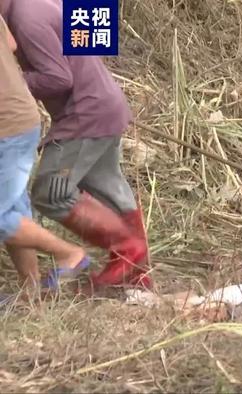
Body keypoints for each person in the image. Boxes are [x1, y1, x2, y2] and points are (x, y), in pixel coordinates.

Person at [0, 0, 153, 293]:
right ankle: (137, 275)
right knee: (112, 191)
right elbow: (95, 35)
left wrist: (14, 83)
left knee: (50, 193)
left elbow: (58, 77)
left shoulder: (25, 18)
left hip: (85, 114)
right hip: (106, 101)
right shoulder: (43, 4)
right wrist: (94, 78)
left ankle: (126, 248)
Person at [1, 13, 90, 294]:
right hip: (20, 116)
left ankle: (69, 254)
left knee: (3, 216)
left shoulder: (31, 13)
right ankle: (30, 292)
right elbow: (11, 44)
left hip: (8, 123)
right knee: (13, 209)